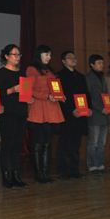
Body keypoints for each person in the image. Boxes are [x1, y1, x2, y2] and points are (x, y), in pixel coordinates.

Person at [26, 45, 64, 183]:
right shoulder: (31, 69)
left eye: (50, 55)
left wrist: (60, 95)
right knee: (38, 142)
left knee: (47, 143)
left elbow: (56, 88)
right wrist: (46, 96)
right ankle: (39, 174)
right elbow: (29, 89)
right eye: (46, 54)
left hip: (51, 109)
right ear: (39, 55)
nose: (49, 57)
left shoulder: (50, 70)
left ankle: (46, 173)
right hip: (38, 108)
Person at [0, 44, 28, 188]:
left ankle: (16, 175)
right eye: (14, 54)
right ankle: (6, 176)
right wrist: (12, 89)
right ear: (6, 56)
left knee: (17, 145)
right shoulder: (0, 74)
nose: (17, 57)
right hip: (7, 113)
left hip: (21, 112)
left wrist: (29, 98)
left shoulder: (22, 73)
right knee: (7, 144)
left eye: (19, 54)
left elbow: (25, 92)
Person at [57, 51, 91, 179]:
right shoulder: (59, 76)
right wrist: (71, 110)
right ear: (63, 61)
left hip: (80, 113)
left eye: (74, 57)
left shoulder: (80, 76)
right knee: (65, 143)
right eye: (69, 57)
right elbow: (60, 97)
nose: (73, 59)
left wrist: (88, 108)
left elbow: (86, 94)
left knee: (76, 143)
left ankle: (74, 169)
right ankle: (64, 171)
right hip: (67, 114)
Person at [85, 54, 109, 173]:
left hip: (105, 114)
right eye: (99, 63)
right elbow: (90, 97)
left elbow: (106, 95)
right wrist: (101, 108)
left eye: (102, 63)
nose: (101, 65)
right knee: (93, 141)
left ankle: (99, 163)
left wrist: (109, 106)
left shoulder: (103, 77)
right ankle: (92, 164)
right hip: (94, 114)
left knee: (102, 142)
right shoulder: (88, 78)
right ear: (92, 64)